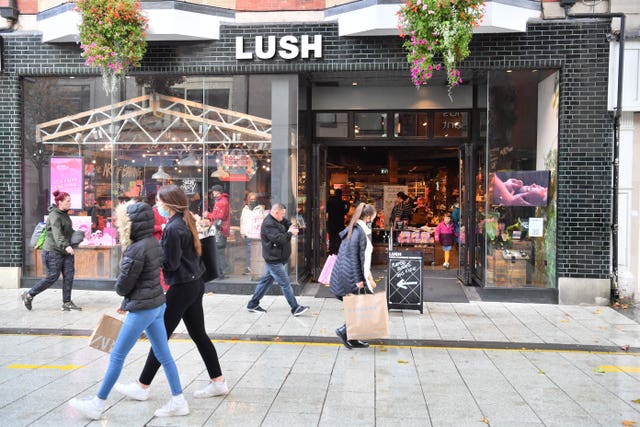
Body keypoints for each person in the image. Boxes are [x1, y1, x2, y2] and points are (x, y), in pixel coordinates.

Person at [68, 201, 188, 420]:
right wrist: (127, 302)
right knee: (164, 355)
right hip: (156, 305)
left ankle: (98, 404)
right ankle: (179, 400)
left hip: (143, 309)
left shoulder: (134, 249)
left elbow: (122, 286)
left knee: (116, 356)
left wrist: (125, 296)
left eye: (122, 222)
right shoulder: (153, 242)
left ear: (130, 225)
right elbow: (147, 278)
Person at [114, 185, 228, 403]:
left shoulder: (173, 229)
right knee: (198, 334)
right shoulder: (186, 222)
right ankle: (218, 381)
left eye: (159, 202)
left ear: (169, 204)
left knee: (160, 336)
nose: (157, 206)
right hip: (195, 284)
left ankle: (142, 385)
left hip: (182, 287)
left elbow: (172, 264)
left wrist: (156, 256)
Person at [22, 190, 82, 312]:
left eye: (70, 200)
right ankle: (29, 295)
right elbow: (57, 234)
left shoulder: (64, 213)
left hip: (65, 252)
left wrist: (77, 234)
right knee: (52, 277)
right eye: (68, 201)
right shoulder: (54, 215)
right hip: (53, 252)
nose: (70, 203)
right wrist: (66, 246)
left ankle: (67, 302)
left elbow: (67, 230)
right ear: (60, 202)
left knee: (69, 276)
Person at [246, 202, 310, 316]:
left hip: (277, 258)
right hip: (274, 260)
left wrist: (292, 226)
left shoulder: (278, 219)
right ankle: (295, 308)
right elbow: (279, 239)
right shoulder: (268, 224)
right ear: (276, 212)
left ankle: (252, 304)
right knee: (285, 284)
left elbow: (286, 222)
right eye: (282, 213)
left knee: (265, 282)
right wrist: (290, 232)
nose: (283, 216)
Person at [330, 202, 377, 350]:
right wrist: (358, 280)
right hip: (351, 276)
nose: (374, 220)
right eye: (374, 217)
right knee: (362, 306)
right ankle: (344, 331)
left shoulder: (358, 229)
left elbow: (361, 257)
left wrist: (368, 274)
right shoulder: (358, 232)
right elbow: (354, 258)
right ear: (368, 217)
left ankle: (353, 336)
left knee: (361, 306)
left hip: (353, 274)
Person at [207, 184, 231, 275]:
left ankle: (223, 270)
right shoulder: (220, 201)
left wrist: (208, 215)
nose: (212, 193)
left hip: (220, 230)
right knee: (218, 250)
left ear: (217, 192)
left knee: (219, 250)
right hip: (219, 229)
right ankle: (221, 270)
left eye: (213, 191)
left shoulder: (222, 202)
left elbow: (220, 217)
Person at [240, 192, 264, 275]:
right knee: (248, 251)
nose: (253, 201)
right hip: (248, 233)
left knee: (257, 251)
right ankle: (249, 267)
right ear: (248, 200)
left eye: (254, 199)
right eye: (251, 199)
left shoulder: (260, 208)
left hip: (257, 234)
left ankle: (256, 267)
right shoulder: (245, 209)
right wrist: (242, 232)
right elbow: (242, 221)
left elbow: (262, 220)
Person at [326, 189, 348, 254]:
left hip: (331, 223)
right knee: (339, 239)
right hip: (340, 224)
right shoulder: (343, 203)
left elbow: (326, 210)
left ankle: (331, 253)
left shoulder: (330, 202)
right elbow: (345, 211)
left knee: (332, 239)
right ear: (341, 194)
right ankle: (338, 252)